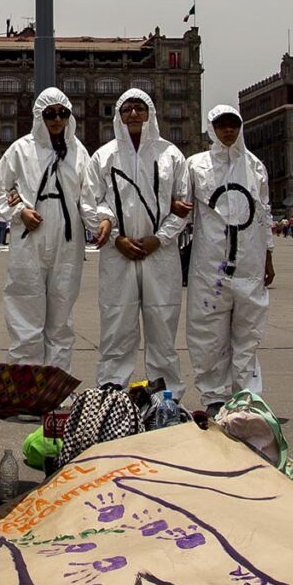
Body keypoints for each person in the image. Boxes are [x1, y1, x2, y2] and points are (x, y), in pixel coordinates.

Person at [0, 88, 99, 371]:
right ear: (40, 116)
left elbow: (87, 196)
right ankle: (26, 386)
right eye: (50, 114)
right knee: (25, 310)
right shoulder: (21, 149)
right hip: (30, 237)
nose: (56, 119)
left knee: (61, 317)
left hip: (67, 237)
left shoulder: (78, 151)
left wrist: (99, 225)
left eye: (62, 113)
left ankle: (55, 388)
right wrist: (18, 212)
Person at [91, 89, 191, 389]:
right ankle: (112, 388)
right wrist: (116, 237)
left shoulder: (171, 155)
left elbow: (183, 205)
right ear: (118, 116)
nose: (133, 114)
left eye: (140, 108)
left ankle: (166, 392)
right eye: (127, 109)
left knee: (162, 323)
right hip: (117, 253)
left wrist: (159, 239)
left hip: (159, 253)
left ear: (151, 114)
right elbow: (92, 200)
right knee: (116, 322)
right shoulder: (104, 156)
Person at [186, 103, 274, 405]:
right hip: (210, 263)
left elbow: (264, 213)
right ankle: (213, 395)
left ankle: (247, 394)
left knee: (248, 331)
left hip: (249, 261)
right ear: (212, 128)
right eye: (222, 125)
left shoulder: (255, 166)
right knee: (209, 332)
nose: (228, 130)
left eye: (232, 125)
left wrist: (269, 255)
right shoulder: (195, 165)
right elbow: (185, 210)